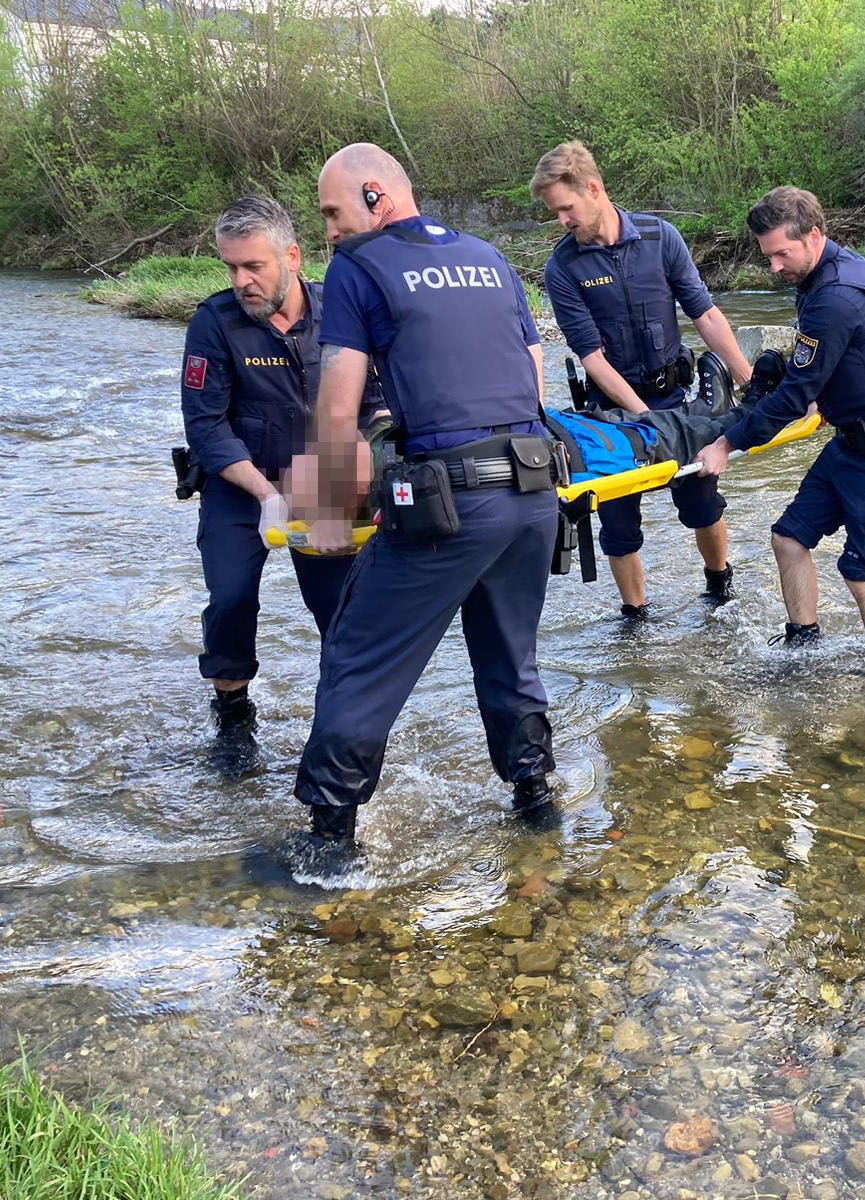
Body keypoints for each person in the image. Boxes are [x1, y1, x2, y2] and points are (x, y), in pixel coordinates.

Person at [287, 142, 560, 864]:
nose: (330, 232)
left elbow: (339, 408)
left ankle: (327, 846)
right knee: (510, 654)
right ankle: (536, 803)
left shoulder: (358, 266)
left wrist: (326, 517)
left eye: (333, 212)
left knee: (358, 655)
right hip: (534, 490)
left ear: (376, 195)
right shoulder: (489, 256)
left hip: (451, 500)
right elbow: (532, 374)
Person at [179, 195, 378, 775]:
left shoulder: (339, 313)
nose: (242, 281)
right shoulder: (213, 324)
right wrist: (266, 495)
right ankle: (234, 715)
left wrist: (355, 473)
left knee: (340, 613)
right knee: (232, 599)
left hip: (327, 482)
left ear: (291, 256)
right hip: (243, 487)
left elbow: (377, 404)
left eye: (254, 267)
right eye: (231, 268)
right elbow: (207, 429)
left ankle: (338, 728)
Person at [693, 186, 865, 655]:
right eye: (768, 256)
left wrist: (725, 445)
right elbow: (844, 362)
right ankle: (803, 644)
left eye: (781, 254)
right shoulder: (828, 272)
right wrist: (817, 394)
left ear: (813, 236)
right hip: (848, 438)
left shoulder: (835, 297)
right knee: (788, 538)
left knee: (860, 569)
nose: (774, 267)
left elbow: (793, 396)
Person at [532, 141, 754, 619]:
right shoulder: (562, 267)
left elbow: (705, 314)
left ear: (593, 189)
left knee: (703, 501)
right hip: (610, 411)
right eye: (555, 213)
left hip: (677, 396)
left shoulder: (660, 236)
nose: (561, 221)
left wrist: (745, 374)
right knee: (617, 522)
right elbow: (591, 356)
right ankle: (635, 616)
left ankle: (719, 585)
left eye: (565, 208)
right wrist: (642, 420)